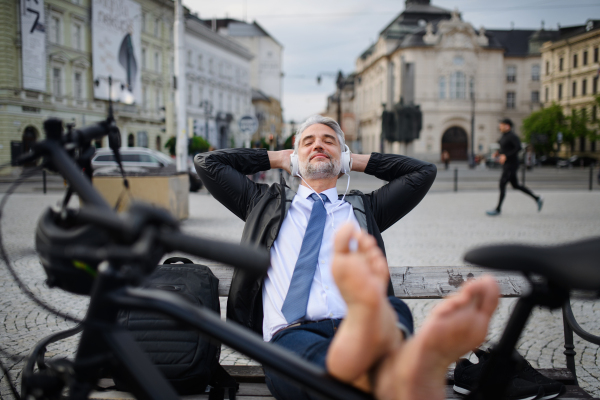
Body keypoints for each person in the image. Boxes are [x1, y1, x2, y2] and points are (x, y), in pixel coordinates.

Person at [195, 114, 437, 399]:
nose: (318, 145)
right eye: (307, 142)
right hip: (292, 338)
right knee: (318, 372)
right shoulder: (263, 204)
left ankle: (375, 365)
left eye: (329, 142)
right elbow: (207, 163)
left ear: (343, 156)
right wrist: (276, 157)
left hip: (357, 328)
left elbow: (423, 172)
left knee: (393, 310)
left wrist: (353, 161)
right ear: (296, 159)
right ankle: (380, 371)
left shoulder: (364, 209)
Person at [327, 223, 499, 400]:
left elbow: (410, 192)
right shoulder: (294, 209)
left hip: (377, 314)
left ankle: (380, 338)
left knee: (395, 306)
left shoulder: (364, 203)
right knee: (301, 347)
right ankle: (399, 366)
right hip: (303, 322)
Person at [486, 118, 543, 216]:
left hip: (511, 164)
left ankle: (498, 209)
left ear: (507, 126)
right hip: (507, 164)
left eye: (501, 124)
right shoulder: (503, 136)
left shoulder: (512, 136)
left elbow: (518, 148)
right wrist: (498, 153)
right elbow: (505, 149)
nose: (500, 126)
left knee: (502, 183)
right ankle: (537, 198)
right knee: (516, 185)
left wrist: (506, 156)